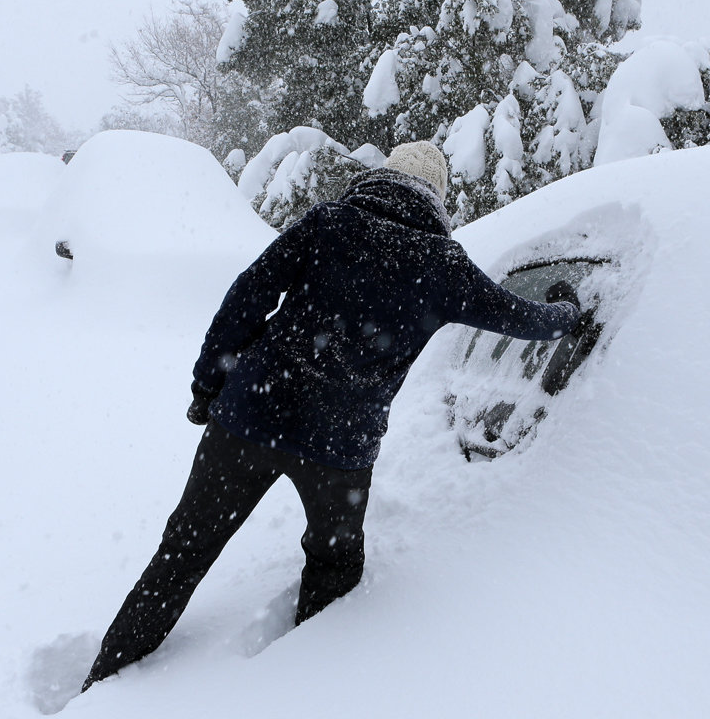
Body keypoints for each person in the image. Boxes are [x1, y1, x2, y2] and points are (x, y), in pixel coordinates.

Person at [82, 141, 580, 691]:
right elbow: (522, 319)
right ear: (435, 200)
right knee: (334, 562)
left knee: (185, 550)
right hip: (338, 450)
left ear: (381, 180)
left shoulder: (327, 227)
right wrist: (566, 311)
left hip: (250, 415)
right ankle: (312, 681)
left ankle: (103, 680)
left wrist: (208, 385)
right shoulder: (444, 267)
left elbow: (246, 298)